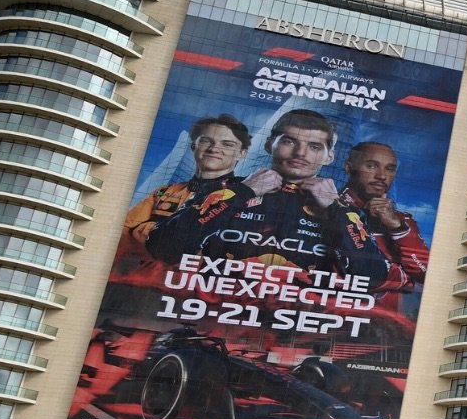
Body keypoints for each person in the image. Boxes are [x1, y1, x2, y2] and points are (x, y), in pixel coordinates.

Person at [146, 108, 392, 287]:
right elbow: (163, 247)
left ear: (329, 157)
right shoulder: (223, 190)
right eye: (289, 141)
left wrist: (336, 210)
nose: (300, 153)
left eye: (314, 147)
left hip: (291, 327)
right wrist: (243, 193)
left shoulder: (344, 211)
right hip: (209, 315)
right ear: (269, 145)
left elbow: (373, 277)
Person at [121, 114, 253, 259]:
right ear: (193, 145)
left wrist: (148, 231)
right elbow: (123, 233)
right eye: (206, 141)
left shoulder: (246, 195)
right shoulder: (164, 191)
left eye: (227, 144)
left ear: (242, 153)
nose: (214, 149)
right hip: (145, 270)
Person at [338, 141, 429, 290]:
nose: (382, 176)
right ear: (349, 168)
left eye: (389, 169)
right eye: (371, 166)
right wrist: (403, 279)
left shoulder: (402, 221)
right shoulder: (326, 208)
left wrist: (397, 228)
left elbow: (426, 274)